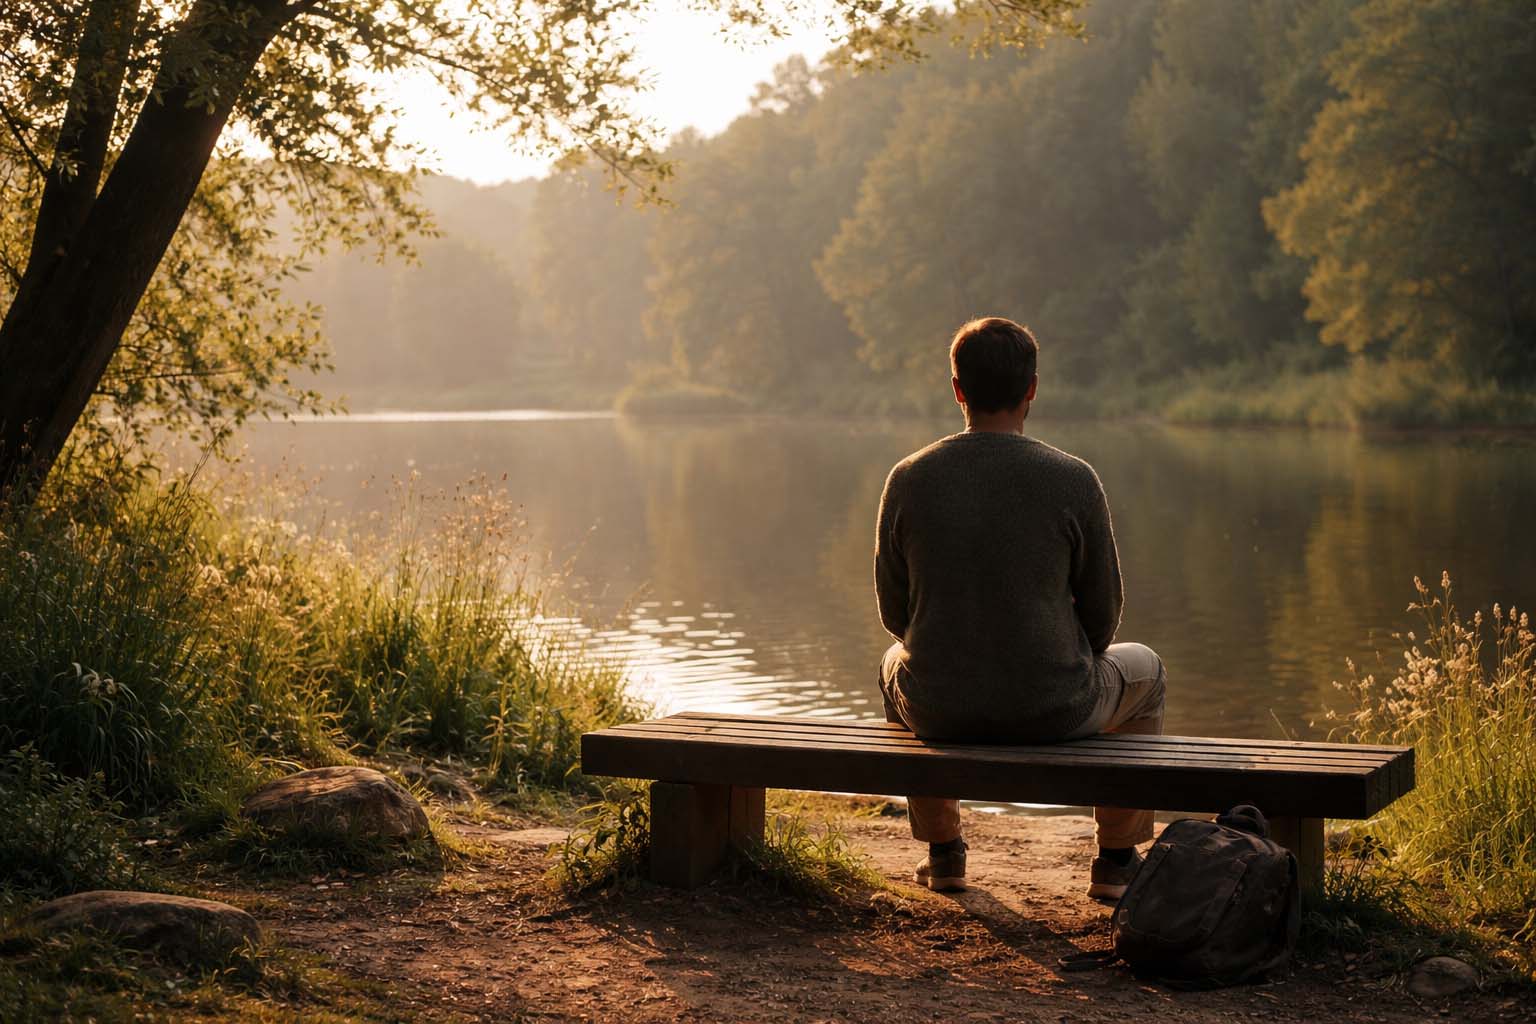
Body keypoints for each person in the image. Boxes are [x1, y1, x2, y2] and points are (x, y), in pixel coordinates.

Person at [873, 316, 1167, 900]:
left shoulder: (908, 478)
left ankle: (944, 852)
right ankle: (1115, 860)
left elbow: (894, 614)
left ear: (957, 389)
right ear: (1032, 388)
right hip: (1055, 707)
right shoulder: (1073, 478)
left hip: (938, 708)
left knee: (892, 663)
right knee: (1148, 671)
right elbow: (1105, 622)